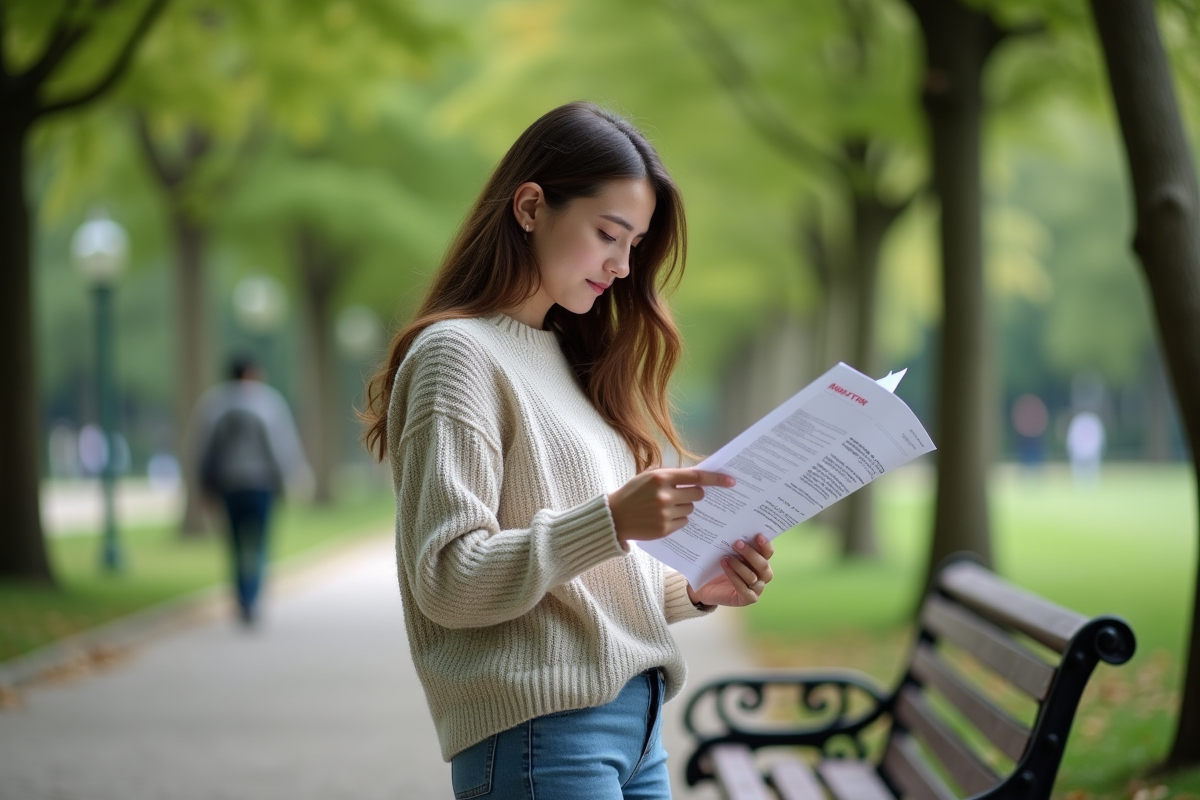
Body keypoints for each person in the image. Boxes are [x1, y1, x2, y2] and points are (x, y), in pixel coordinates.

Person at [360, 101, 775, 799]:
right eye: (609, 234)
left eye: (635, 244)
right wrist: (612, 520)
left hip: (636, 729)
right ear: (530, 207)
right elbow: (448, 578)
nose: (621, 264)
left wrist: (693, 588)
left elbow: (577, 585)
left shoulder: (568, 357)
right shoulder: (456, 356)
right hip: (543, 735)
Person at [192, 355, 312, 626]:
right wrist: (287, 481)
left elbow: (204, 449)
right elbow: (281, 446)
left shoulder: (213, 404)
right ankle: (252, 598)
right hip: (261, 484)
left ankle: (241, 598)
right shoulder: (268, 401)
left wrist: (204, 487)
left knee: (234, 544)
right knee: (258, 544)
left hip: (229, 484)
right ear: (251, 373)